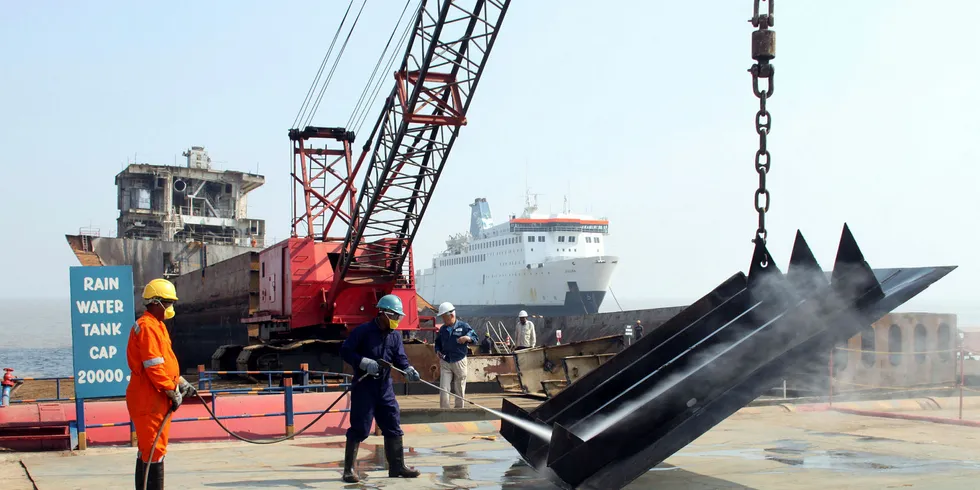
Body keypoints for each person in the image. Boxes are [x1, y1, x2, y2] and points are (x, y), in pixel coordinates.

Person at [339, 294, 423, 483]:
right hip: (364, 387)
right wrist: (363, 362)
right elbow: (345, 351)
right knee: (360, 428)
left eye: (398, 317)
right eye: (394, 317)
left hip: (385, 388)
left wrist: (407, 369)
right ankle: (349, 470)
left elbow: (399, 358)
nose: (396, 321)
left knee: (393, 425)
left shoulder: (395, 336)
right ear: (383, 313)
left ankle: (397, 466)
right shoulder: (363, 331)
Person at [126, 278, 197, 490]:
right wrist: (169, 389)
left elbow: (164, 361)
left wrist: (180, 381)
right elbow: (153, 366)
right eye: (168, 302)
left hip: (155, 395)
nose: (170, 307)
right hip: (149, 397)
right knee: (154, 451)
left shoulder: (157, 326)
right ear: (156, 302)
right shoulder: (147, 327)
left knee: (151, 449)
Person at [434, 302, 477, 409]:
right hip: (445, 361)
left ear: (451, 316)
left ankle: (459, 409)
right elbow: (438, 343)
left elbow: (475, 337)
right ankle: (444, 409)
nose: (443, 320)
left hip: (459, 360)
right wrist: (437, 350)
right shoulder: (443, 329)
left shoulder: (464, 327)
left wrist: (467, 338)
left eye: (444, 317)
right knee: (444, 387)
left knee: (460, 386)